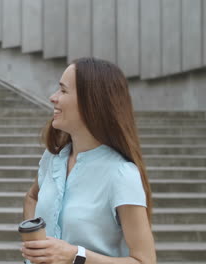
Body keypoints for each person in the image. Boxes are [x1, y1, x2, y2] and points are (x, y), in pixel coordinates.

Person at [22, 57, 156, 264]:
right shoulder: (52, 159)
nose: (53, 98)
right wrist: (35, 242)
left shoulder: (121, 174)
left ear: (91, 101)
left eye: (63, 91)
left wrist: (75, 255)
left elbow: (145, 261)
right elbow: (32, 197)